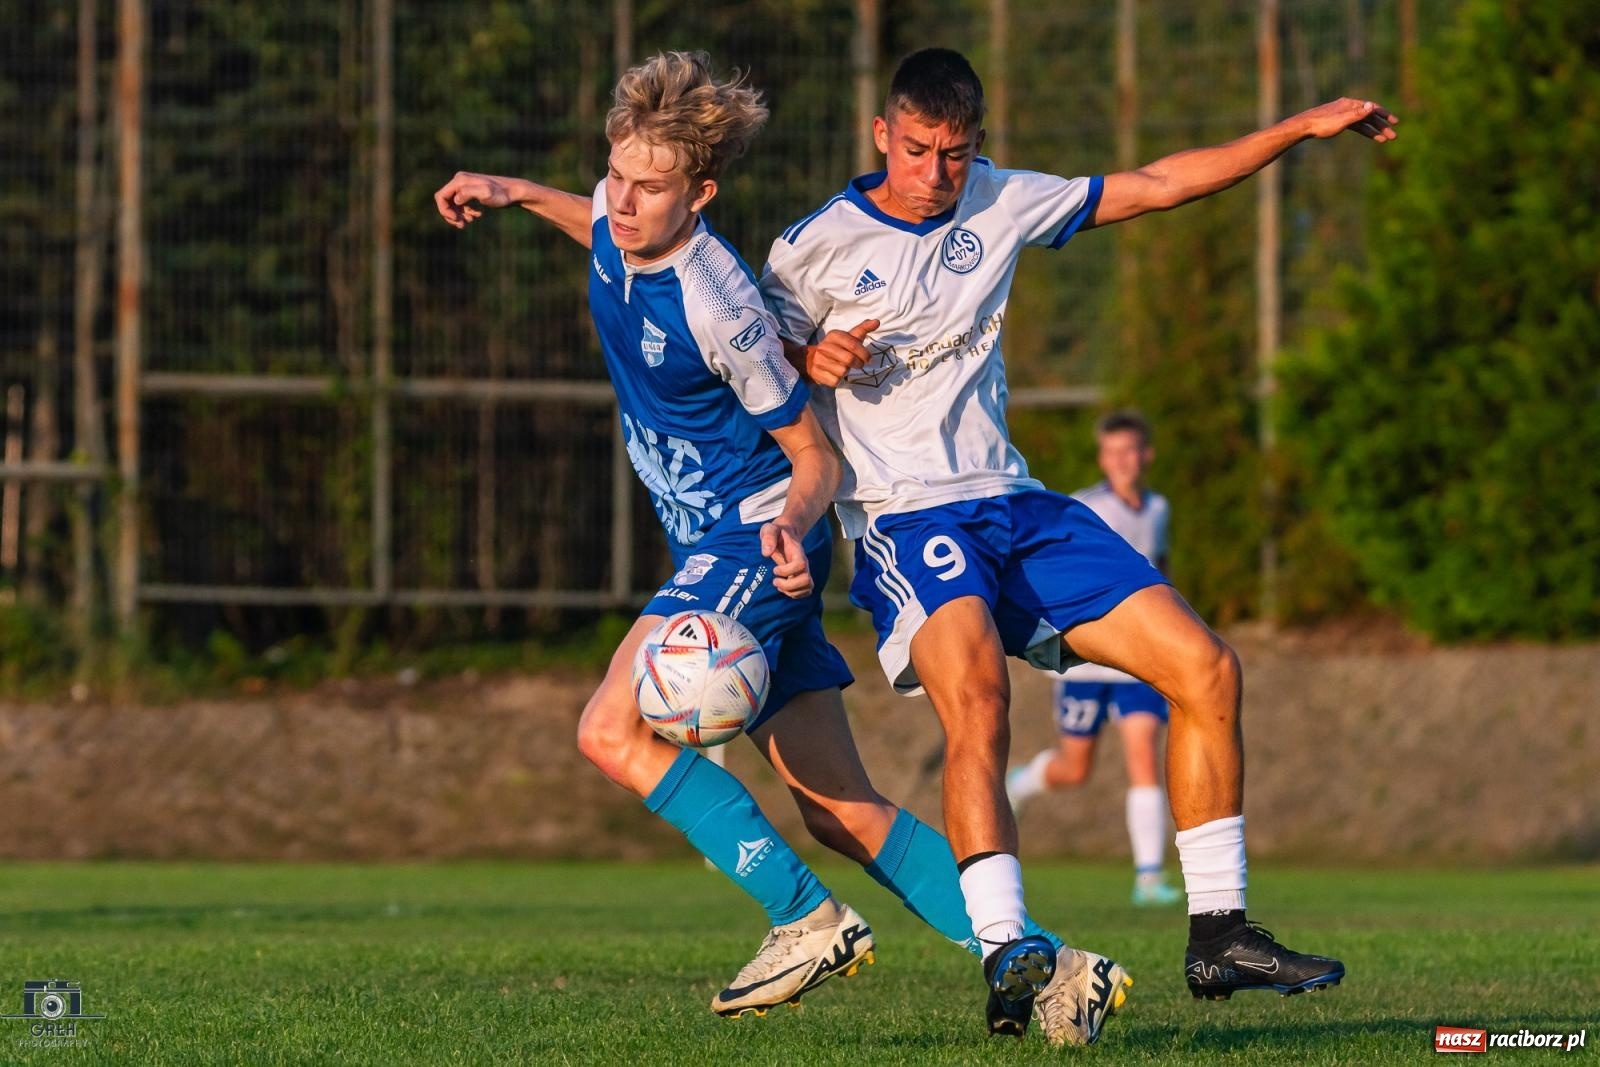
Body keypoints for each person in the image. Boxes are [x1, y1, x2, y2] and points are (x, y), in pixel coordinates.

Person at [760, 46, 1396, 1033]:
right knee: (979, 700)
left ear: (977, 146)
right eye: (920, 149)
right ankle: (1010, 945)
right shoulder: (810, 249)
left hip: (1019, 504)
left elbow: (1155, 184)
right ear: (882, 133)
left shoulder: (1002, 201)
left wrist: (1293, 131)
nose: (937, 173)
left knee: (1207, 668)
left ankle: (1219, 932)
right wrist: (807, 354)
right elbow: (746, 374)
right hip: (906, 515)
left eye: (957, 154)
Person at [432, 51, 1069, 1031]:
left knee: (608, 728)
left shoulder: (717, 302)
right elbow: (594, 224)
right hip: (732, 545)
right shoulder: (617, 218)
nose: (627, 202)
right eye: (619, 178)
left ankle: (803, 915)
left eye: (653, 188)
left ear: (701, 195)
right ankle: (1047, 963)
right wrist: (512, 191)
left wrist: (785, 532)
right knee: (836, 802)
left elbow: (809, 451)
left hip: (749, 538)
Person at [1006, 410, 1183, 908]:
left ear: (1145, 455)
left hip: (1139, 660)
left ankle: (1149, 879)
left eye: (1130, 450)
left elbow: (1160, 568)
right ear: (1102, 457)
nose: (1122, 460)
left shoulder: (1158, 508)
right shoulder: (1085, 507)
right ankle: (1022, 781)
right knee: (1074, 768)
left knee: (1144, 755)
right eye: (1112, 452)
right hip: (1087, 660)